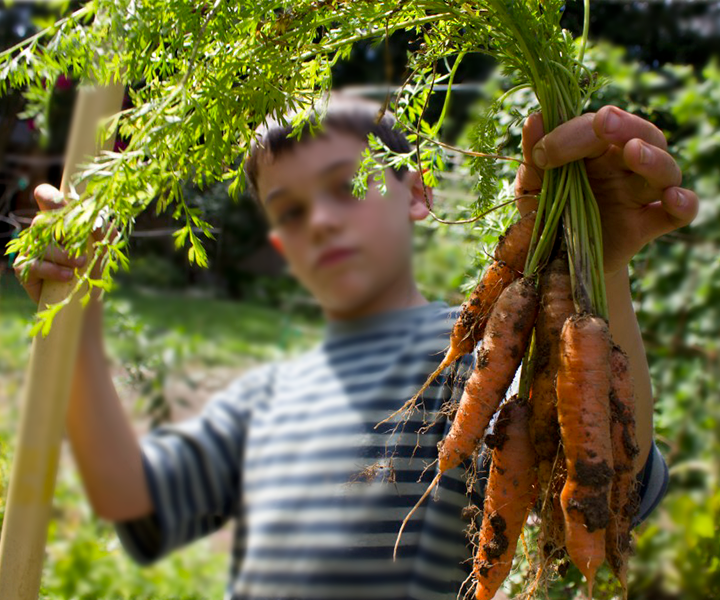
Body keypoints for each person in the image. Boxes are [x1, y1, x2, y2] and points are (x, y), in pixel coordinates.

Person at [16, 91, 696, 600]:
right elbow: (131, 498)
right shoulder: (268, 393)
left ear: (418, 194)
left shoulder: (485, 351)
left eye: (347, 186)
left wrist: (600, 271)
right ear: (277, 242)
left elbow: (600, 467)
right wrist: (77, 316)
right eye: (289, 209)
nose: (322, 221)